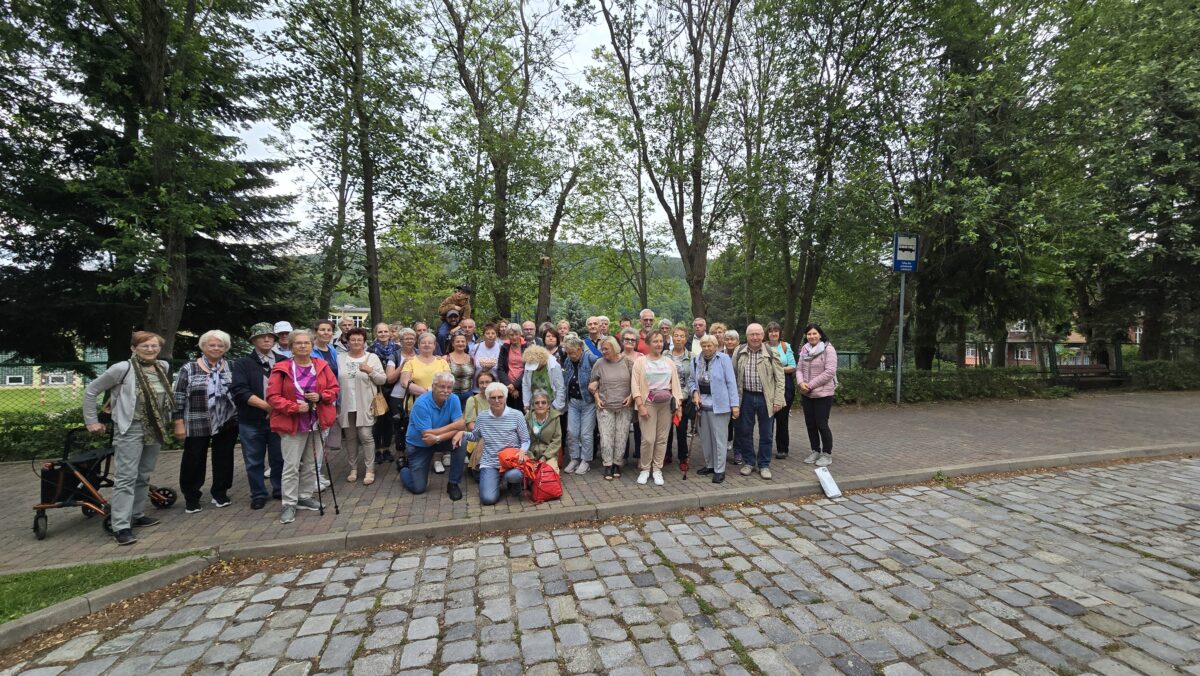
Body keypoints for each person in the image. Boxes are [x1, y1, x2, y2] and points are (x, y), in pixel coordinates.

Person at [83, 331, 172, 546]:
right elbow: (91, 391)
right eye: (145, 346)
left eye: (154, 346)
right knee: (126, 477)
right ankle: (120, 525)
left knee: (144, 474)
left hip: (155, 428)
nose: (150, 350)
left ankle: (137, 514)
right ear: (133, 348)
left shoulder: (162, 367)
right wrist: (92, 421)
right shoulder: (122, 369)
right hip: (130, 428)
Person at [266, 329, 338, 525]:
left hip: (317, 420)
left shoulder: (321, 366)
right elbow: (272, 397)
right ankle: (289, 503)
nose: (303, 346)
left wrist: (322, 396)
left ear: (312, 345)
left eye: (306, 343)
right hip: (293, 422)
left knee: (311, 463)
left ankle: (305, 495)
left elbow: (334, 389)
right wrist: (294, 407)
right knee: (291, 466)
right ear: (291, 346)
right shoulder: (282, 368)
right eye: (298, 343)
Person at [172, 330, 238, 514]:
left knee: (224, 457)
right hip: (196, 420)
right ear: (203, 346)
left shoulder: (232, 366)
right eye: (212, 345)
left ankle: (220, 492)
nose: (216, 348)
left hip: (227, 421)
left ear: (226, 348)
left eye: (220, 345)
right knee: (193, 458)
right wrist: (178, 422)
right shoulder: (189, 368)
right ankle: (191, 497)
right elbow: (178, 396)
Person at [231, 323, 285, 509]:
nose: (267, 339)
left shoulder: (283, 361)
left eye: (270, 336)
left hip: (279, 419)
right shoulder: (243, 363)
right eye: (262, 336)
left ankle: (279, 488)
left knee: (279, 457)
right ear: (254, 340)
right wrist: (267, 407)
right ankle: (258, 493)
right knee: (254, 459)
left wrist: (279, 408)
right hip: (252, 420)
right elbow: (239, 390)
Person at [458, 382, 529, 504]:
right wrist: (462, 433)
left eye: (500, 397)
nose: (497, 400)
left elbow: (525, 439)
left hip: (511, 461)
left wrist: (523, 450)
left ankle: (512, 482)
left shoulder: (517, 415)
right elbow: (475, 437)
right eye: (493, 397)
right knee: (487, 499)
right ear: (488, 399)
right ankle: (496, 479)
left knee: (514, 475)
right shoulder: (482, 417)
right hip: (490, 462)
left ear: (505, 398)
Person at [732, 323, 786, 480]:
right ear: (747, 336)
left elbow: (780, 378)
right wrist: (735, 400)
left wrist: (778, 400)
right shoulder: (739, 351)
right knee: (745, 432)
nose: (755, 337)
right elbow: (733, 376)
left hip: (766, 398)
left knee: (766, 433)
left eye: (758, 334)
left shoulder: (771, 352)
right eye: (751, 334)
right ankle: (749, 462)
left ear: (763, 336)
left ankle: (764, 464)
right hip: (746, 397)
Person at [401, 372, 466, 501]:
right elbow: (427, 437)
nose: (446, 391)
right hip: (419, 445)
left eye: (449, 387)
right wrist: (454, 427)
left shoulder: (454, 399)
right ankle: (404, 470)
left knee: (461, 441)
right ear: (433, 386)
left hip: (438, 440)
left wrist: (438, 437)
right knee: (418, 488)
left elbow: (460, 428)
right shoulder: (421, 403)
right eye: (442, 387)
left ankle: (453, 483)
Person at [630, 332, 683, 486]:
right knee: (648, 439)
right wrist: (640, 405)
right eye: (655, 341)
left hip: (666, 404)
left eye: (661, 341)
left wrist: (678, 405)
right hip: (648, 403)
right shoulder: (640, 362)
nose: (659, 344)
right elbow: (635, 385)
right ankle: (645, 469)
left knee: (662, 439)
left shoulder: (669, 362)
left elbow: (676, 385)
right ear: (648, 343)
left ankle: (657, 469)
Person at [337, 328, 387, 485]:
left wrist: (370, 371)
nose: (356, 342)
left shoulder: (371, 358)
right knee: (350, 438)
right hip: (346, 404)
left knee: (366, 436)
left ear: (364, 342)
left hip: (365, 404)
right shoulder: (339, 358)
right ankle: (353, 468)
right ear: (347, 341)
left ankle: (369, 469)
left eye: (359, 339)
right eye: (353, 339)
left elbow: (382, 380)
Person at [399, 332, 451, 473]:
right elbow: (405, 382)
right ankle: (420, 460)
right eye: (424, 342)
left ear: (435, 346)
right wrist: (428, 393)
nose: (427, 345)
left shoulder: (442, 362)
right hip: (417, 404)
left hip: (440, 404)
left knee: (438, 430)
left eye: (430, 343)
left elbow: (448, 380)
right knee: (421, 432)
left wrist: (434, 394)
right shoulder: (411, 362)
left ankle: (437, 459)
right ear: (419, 345)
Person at [692, 335, 739, 483]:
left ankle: (720, 469)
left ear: (715, 345)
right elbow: (692, 380)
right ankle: (710, 465)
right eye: (704, 345)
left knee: (719, 439)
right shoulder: (696, 360)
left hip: (720, 405)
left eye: (709, 345)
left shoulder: (724, 359)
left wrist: (735, 405)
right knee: (706, 438)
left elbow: (731, 382)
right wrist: (694, 392)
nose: (706, 348)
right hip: (702, 405)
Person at [589, 336, 633, 481]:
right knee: (606, 437)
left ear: (614, 348)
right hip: (605, 406)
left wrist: (631, 396)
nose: (603, 351)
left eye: (606, 349)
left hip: (624, 407)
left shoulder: (627, 362)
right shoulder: (599, 363)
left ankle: (617, 464)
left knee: (621, 437)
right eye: (602, 349)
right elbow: (592, 384)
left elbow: (637, 382)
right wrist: (597, 397)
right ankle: (607, 465)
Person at [797, 323, 838, 467]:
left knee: (822, 424)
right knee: (810, 424)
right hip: (807, 394)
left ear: (820, 334)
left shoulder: (828, 349)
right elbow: (799, 369)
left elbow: (829, 372)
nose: (812, 336)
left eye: (814, 333)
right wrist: (801, 383)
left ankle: (827, 454)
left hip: (823, 394)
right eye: (809, 334)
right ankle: (815, 450)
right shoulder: (804, 351)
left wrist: (810, 385)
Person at [561, 336, 596, 475]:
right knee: (572, 432)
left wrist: (596, 382)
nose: (570, 355)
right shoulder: (568, 361)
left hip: (588, 402)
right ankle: (574, 458)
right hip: (573, 402)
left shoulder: (590, 358)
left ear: (580, 349)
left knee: (586, 434)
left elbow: (602, 367)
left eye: (573, 352)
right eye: (568, 352)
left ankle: (586, 461)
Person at [386, 327, 418, 465]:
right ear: (401, 340)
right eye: (406, 338)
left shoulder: (420, 353)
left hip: (416, 395)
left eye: (412, 338)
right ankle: (400, 454)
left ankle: (415, 454)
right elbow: (389, 378)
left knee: (415, 424)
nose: (409, 341)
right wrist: (403, 365)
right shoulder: (395, 356)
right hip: (398, 396)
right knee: (399, 426)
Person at [368, 322, 400, 459]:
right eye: (380, 332)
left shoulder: (397, 349)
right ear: (376, 334)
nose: (383, 334)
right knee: (378, 420)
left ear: (390, 333)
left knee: (389, 420)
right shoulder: (370, 350)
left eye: (385, 331)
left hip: (393, 388)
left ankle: (386, 448)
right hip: (377, 388)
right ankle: (377, 449)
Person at [766, 321, 797, 459]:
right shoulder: (763, 347)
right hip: (768, 385)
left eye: (776, 331)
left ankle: (782, 448)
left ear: (779, 333)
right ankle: (766, 447)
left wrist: (777, 370)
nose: (773, 333)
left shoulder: (785, 346)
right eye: (771, 331)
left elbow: (792, 366)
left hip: (785, 384)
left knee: (782, 419)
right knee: (768, 418)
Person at [665, 324, 693, 465]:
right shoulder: (665, 355)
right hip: (667, 397)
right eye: (676, 336)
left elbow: (691, 380)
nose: (678, 339)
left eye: (682, 336)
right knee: (666, 429)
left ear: (686, 339)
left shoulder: (691, 356)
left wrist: (681, 397)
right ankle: (666, 455)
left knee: (681, 429)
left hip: (684, 398)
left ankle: (683, 457)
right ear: (672, 337)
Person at [463, 370, 495, 474]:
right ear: (477, 384)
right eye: (481, 383)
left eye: (487, 382)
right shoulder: (472, 400)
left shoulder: (498, 399)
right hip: (478, 440)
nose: (485, 385)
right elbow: (471, 426)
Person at [521, 345, 565, 414]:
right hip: (535, 402)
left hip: (552, 403)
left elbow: (560, 387)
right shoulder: (528, 365)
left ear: (542, 361)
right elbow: (526, 384)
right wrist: (526, 403)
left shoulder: (554, 365)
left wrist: (556, 407)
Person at [525, 390, 562, 470]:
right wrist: (531, 458)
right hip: (530, 455)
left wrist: (545, 457)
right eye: (537, 403)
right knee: (529, 475)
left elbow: (556, 441)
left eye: (543, 402)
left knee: (548, 473)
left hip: (549, 455)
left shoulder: (555, 417)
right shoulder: (527, 418)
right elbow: (523, 440)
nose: (540, 405)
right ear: (533, 405)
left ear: (548, 405)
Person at [495, 323, 525, 410]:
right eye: (511, 335)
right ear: (508, 335)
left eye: (516, 334)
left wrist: (515, 385)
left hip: (522, 385)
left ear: (520, 334)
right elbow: (500, 368)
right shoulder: (505, 347)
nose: (514, 337)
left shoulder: (526, 347)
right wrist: (509, 385)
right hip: (507, 385)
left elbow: (527, 369)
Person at [446, 332, 476, 407]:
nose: (460, 343)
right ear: (453, 344)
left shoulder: (471, 358)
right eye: (457, 341)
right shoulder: (446, 358)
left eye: (463, 341)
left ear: (466, 343)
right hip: (450, 395)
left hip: (468, 395)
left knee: (467, 417)